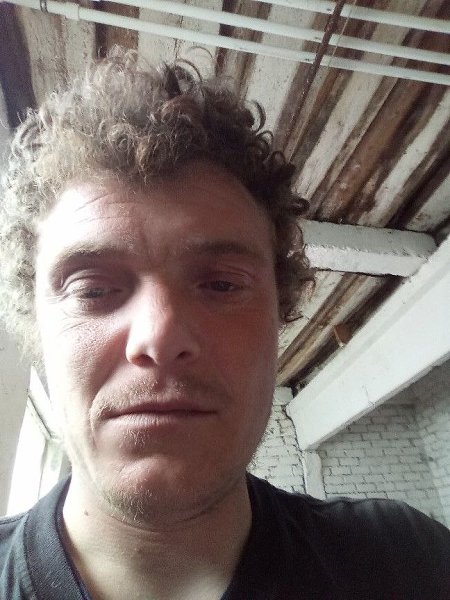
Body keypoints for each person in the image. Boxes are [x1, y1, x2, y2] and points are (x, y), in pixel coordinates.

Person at [0, 50, 448, 600]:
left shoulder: (408, 562)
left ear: (278, 316)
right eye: (92, 289)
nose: (160, 337)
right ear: (35, 327)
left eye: (221, 284)